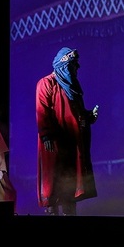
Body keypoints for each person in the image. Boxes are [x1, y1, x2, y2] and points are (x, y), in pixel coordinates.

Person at [36, 47, 98, 216]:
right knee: (55, 180)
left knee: (70, 180)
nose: (77, 69)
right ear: (64, 66)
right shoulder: (46, 83)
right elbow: (42, 111)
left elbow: (76, 111)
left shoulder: (72, 86)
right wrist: (46, 134)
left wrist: (88, 116)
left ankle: (70, 221)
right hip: (55, 142)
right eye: (73, 65)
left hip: (72, 141)